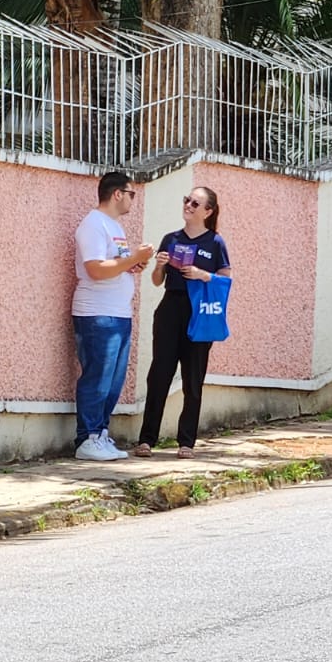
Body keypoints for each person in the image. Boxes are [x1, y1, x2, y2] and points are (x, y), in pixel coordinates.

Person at [132, 187, 232, 460]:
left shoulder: (215, 242)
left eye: (195, 203)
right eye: (186, 199)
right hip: (170, 308)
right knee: (159, 374)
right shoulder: (171, 239)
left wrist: (202, 275)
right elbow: (156, 281)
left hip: (199, 311)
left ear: (208, 211)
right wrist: (159, 266)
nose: (188, 205)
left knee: (193, 378)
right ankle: (146, 439)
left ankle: (186, 441)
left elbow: (226, 280)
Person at [73, 171, 155, 461]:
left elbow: (113, 264)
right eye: (131, 193)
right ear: (117, 193)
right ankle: (88, 437)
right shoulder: (93, 224)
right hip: (97, 312)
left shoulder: (114, 225)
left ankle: (101, 433)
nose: (134, 199)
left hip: (117, 312)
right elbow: (95, 269)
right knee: (97, 377)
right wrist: (131, 258)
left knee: (113, 380)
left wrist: (132, 264)